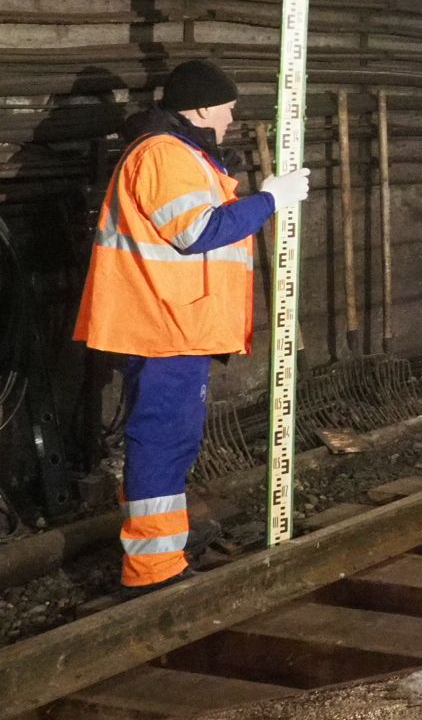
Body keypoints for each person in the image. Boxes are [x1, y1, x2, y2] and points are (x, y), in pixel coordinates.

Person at [73, 59, 311, 595]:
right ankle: (152, 571)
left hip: (173, 323)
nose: (229, 120)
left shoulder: (181, 154)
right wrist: (270, 199)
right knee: (162, 441)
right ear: (202, 107)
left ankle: (161, 549)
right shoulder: (165, 154)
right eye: (227, 109)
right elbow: (197, 232)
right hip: (164, 325)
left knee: (170, 440)